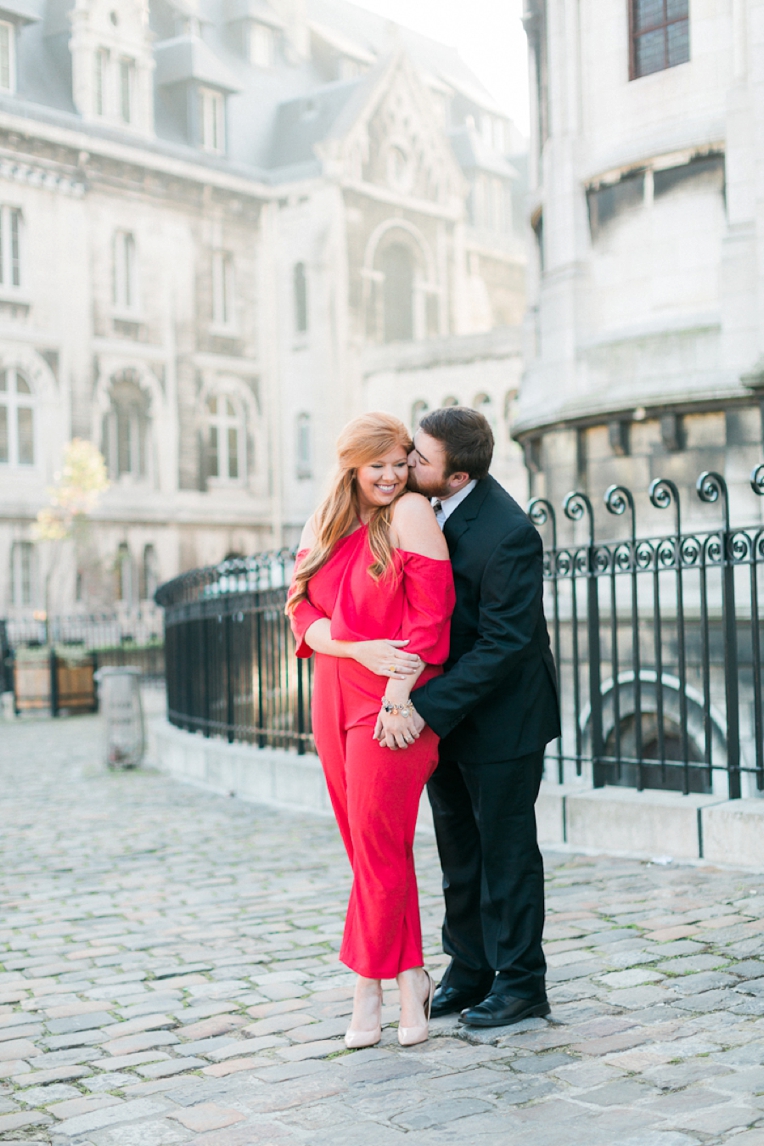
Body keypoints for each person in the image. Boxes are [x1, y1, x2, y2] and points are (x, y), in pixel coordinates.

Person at [375, 406, 560, 1028]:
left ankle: (522, 982)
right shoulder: (419, 511)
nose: (406, 465)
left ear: (456, 479)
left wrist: (422, 706)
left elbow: (504, 646)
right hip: (446, 719)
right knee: (458, 850)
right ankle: (471, 967)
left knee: (506, 853)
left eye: (419, 460)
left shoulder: (510, 532)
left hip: (504, 721)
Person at [286, 411, 455, 1048]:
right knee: (367, 847)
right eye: (375, 464)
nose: (389, 475)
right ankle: (412, 976)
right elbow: (301, 609)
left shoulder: (410, 514)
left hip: (396, 698)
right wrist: (354, 649)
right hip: (334, 692)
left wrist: (395, 696)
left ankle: (367, 987)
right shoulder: (324, 520)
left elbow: (431, 619)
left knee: (380, 843)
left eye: (398, 461)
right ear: (352, 465)